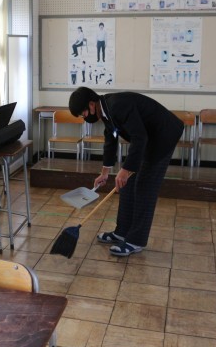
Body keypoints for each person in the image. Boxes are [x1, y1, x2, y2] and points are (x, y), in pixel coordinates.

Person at [68, 87, 183, 256]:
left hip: (164, 136)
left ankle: (136, 241)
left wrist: (126, 169)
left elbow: (139, 137)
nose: (84, 117)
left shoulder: (117, 105)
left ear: (91, 105)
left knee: (144, 188)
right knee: (127, 185)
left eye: (83, 113)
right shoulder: (106, 110)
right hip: (149, 138)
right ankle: (122, 232)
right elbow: (111, 139)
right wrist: (105, 172)